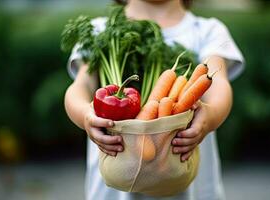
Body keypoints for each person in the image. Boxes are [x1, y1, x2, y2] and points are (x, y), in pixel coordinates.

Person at [64, 0, 244, 199]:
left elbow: (218, 84)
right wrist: (84, 115)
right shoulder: (100, 30)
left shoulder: (208, 31)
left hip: (188, 185)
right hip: (113, 188)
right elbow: (81, 86)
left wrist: (210, 116)